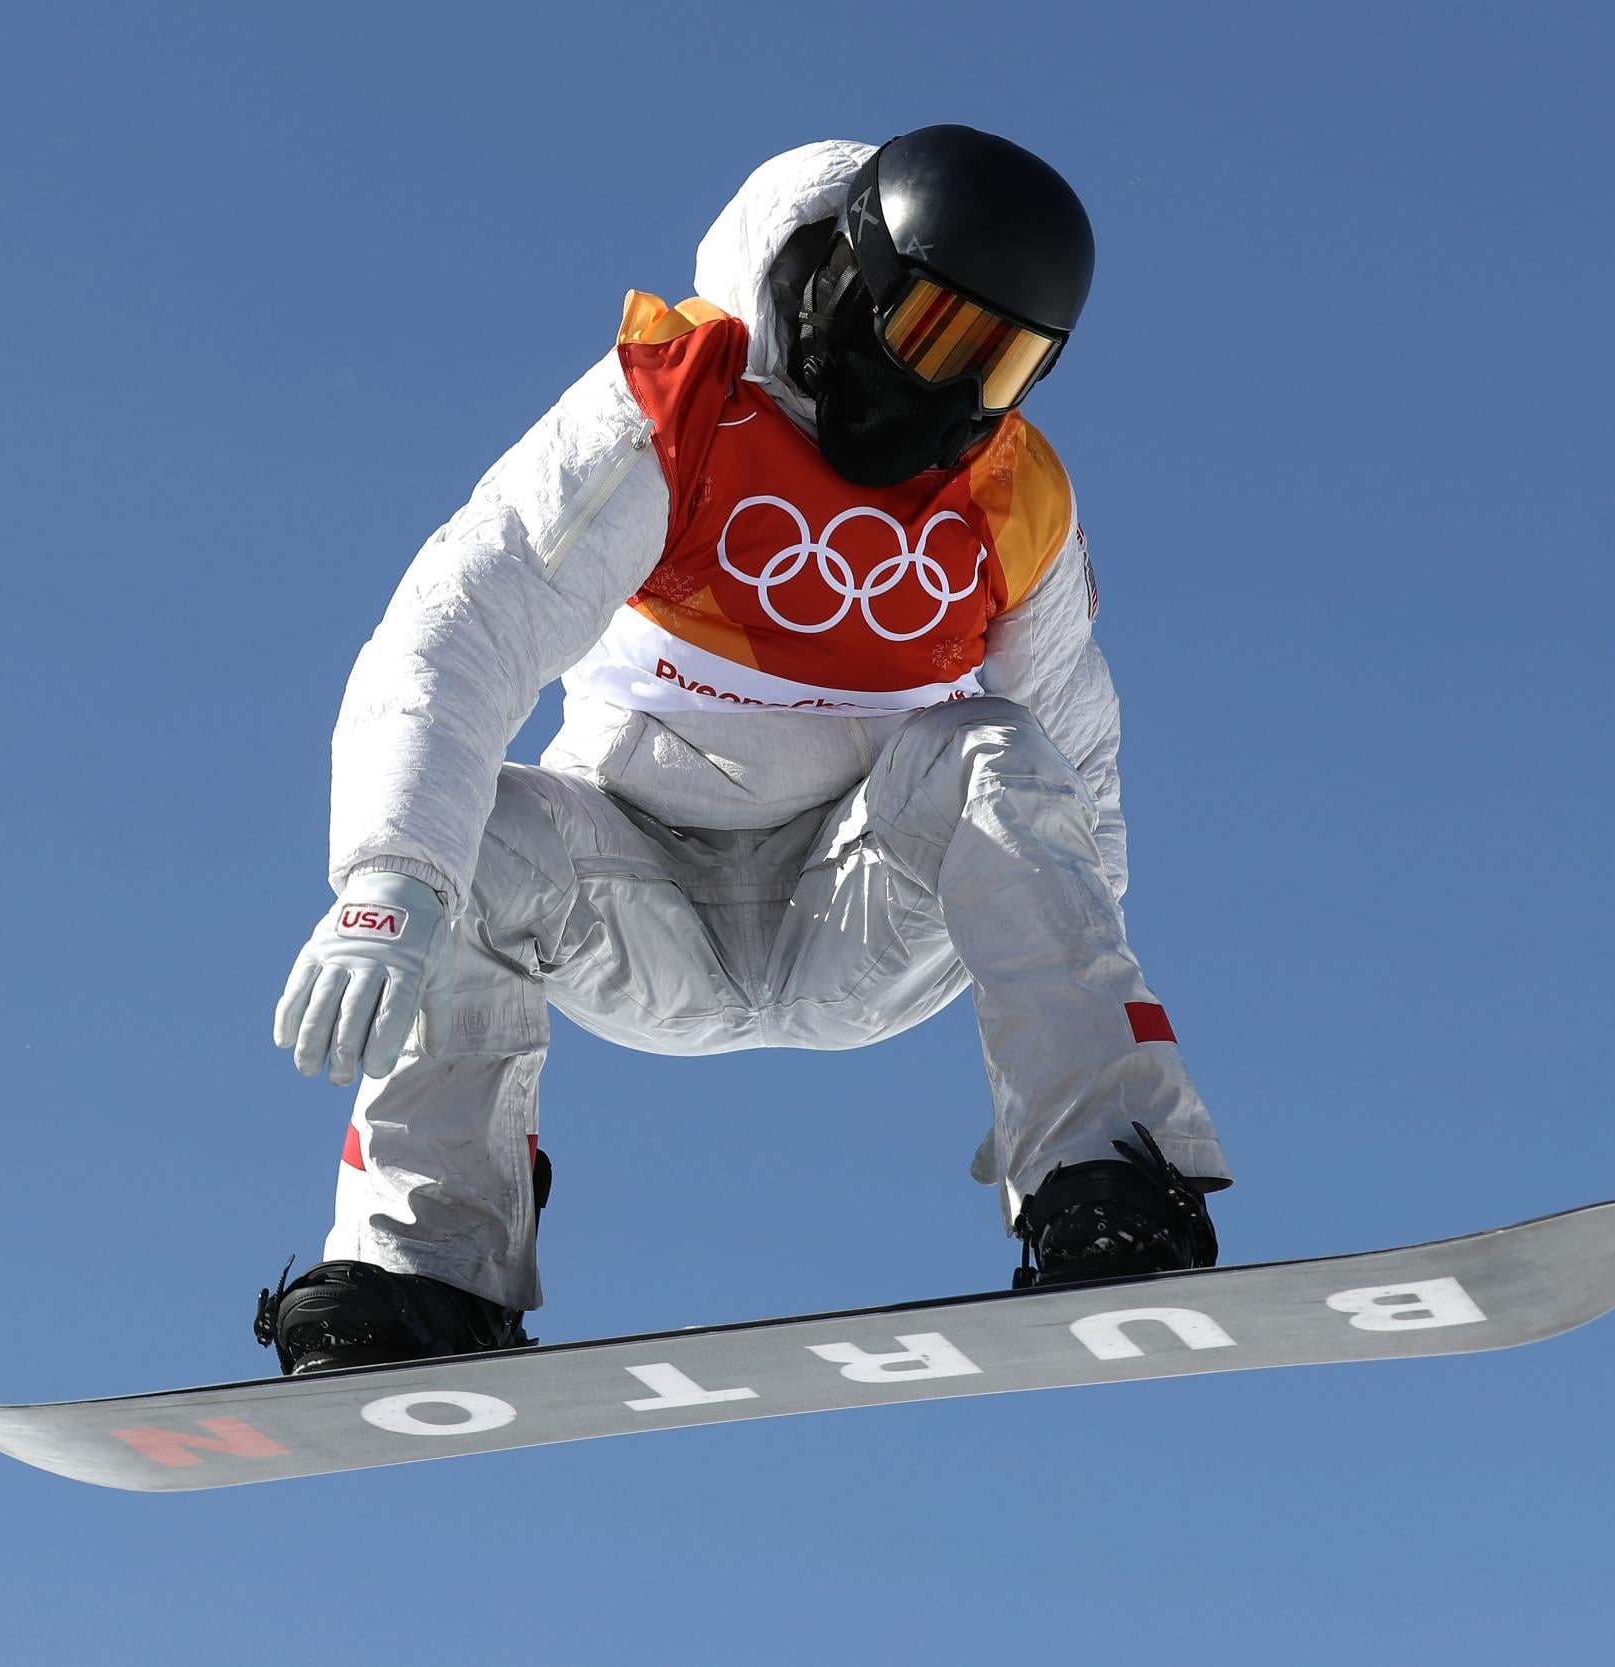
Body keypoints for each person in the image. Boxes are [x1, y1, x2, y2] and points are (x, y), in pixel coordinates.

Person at [255, 128, 1232, 1375]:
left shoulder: (1010, 492)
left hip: (858, 905)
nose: (954, 394)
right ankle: (424, 1270)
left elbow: (1071, 753)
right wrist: (389, 878)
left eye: (1003, 364)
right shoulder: (677, 413)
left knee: (990, 744)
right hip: (633, 896)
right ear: (850, 281)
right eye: (936, 336)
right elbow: (463, 623)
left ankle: (1103, 1179)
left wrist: (1071, 1025)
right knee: (480, 831)